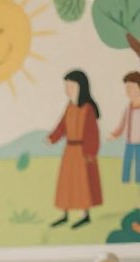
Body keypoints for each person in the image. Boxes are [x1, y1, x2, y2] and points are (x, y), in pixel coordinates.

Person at [48, 69, 102, 229]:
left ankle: (85, 214)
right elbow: (62, 126)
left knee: (82, 184)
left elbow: (93, 133)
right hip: (69, 151)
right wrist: (52, 138)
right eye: (67, 86)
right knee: (67, 183)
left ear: (80, 87)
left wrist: (90, 153)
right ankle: (65, 213)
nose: (68, 89)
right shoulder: (70, 107)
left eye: (71, 86)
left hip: (82, 152)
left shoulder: (87, 109)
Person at [109, 71, 140, 184]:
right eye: (127, 88)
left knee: (139, 165)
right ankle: (125, 182)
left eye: (131, 87)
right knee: (126, 163)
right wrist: (114, 134)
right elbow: (122, 125)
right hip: (129, 142)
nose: (128, 91)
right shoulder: (128, 108)